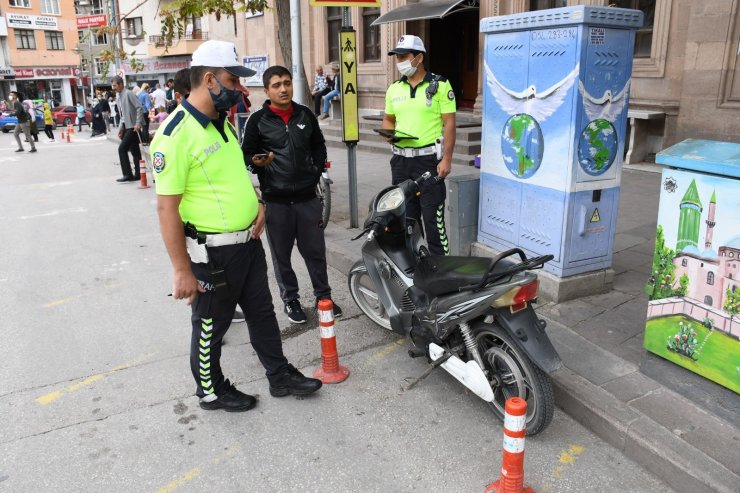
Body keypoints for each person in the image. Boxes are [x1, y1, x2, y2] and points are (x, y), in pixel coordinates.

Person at [151, 40, 322, 411]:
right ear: (209, 79)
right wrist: (181, 269)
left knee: (262, 314)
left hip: (247, 242)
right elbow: (166, 208)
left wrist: (257, 202)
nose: (241, 89)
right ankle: (211, 390)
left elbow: (234, 175)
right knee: (211, 324)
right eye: (233, 80)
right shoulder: (174, 135)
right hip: (212, 253)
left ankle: (279, 376)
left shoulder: (223, 125)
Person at [242, 65, 342, 324]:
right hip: (277, 202)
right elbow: (246, 155)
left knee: (315, 252)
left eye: (287, 83)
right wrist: (258, 163)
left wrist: (314, 170)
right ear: (266, 90)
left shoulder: (305, 115)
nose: (283, 88)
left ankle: (324, 298)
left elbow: (319, 146)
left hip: (308, 200)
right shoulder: (257, 120)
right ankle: (291, 300)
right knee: (281, 256)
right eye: (276, 85)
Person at [382, 35, 456, 256]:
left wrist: (447, 159)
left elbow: (450, 123)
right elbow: (388, 119)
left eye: (404, 56)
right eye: (397, 57)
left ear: (419, 57)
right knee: (407, 218)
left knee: (433, 219)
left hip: (428, 161)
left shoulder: (440, 85)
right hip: (400, 161)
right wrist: (388, 133)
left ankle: (442, 270)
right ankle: (416, 266)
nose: (399, 62)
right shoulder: (394, 88)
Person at [111, 75, 145, 182]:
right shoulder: (119, 96)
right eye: (112, 86)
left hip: (133, 126)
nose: (113, 88)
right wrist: (121, 128)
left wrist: (138, 123)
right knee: (135, 151)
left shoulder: (129, 93)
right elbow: (122, 115)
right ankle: (139, 174)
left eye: (115, 85)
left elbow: (139, 107)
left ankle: (127, 174)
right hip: (127, 126)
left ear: (121, 84)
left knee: (122, 148)